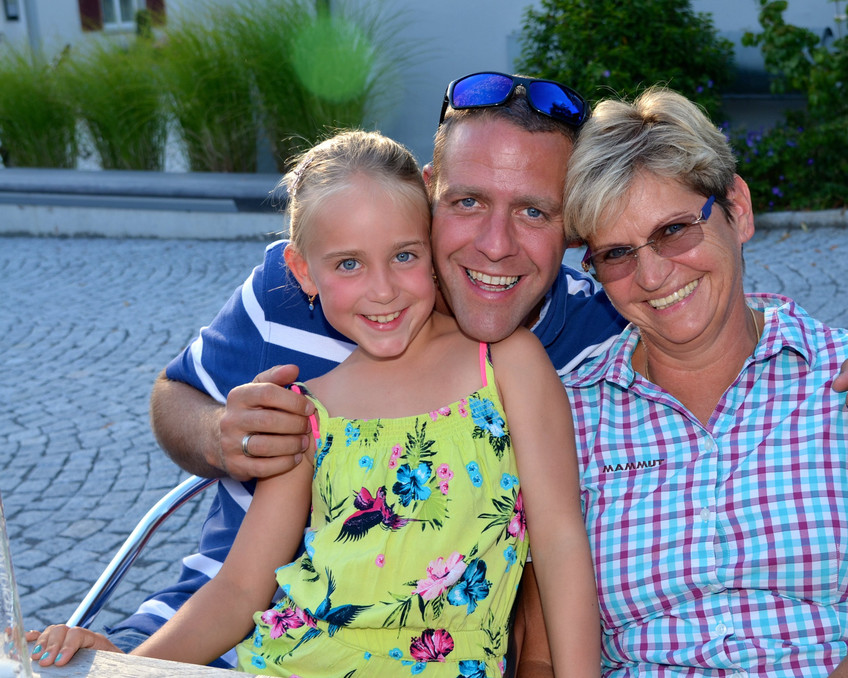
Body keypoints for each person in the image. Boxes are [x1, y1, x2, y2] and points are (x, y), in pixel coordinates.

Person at [101, 72, 848, 667]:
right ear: (429, 193)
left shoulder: (578, 339)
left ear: (569, 236)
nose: (496, 245)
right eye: (468, 202)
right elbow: (175, 400)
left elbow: (707, 327)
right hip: (212, 633)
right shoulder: (306, 281)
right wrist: (219, 435)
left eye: (535, 213)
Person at [28, 130, 600, 677]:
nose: (382, 289)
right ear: (304, 272)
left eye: (403, 256)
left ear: (431, 247)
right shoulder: (306, 410)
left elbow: (559, 543)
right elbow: (240, 590)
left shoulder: (504, 364)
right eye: (349, 264)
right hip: (288, 662)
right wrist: (131, 665)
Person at [529, 86, 848, 676]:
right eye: (617, 254)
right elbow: (544, 656)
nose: (652, 275)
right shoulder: (569, 415)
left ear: (738, 209)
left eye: (675, 230)